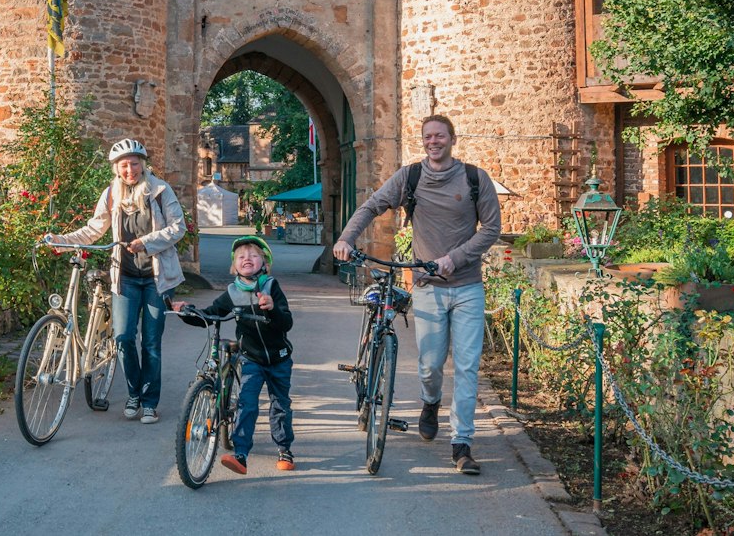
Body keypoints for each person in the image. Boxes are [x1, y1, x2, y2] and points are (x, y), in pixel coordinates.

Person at [333, 114, 501, 475]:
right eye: (428, 136)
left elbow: (491, 229)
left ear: (452, 139)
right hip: (427, 289)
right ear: (423, 141)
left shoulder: (474, 178)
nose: (433, 141)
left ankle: (462, 444)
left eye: (440, 135)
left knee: (468, 366)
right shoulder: (410, 177)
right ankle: (430, 402)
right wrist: (347, 238)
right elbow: (371, 206)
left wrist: (453, 260)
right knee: (429, 365)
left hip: (468, 287)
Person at [42, 138, 185, 424]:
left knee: (152, 344)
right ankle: (133, 394)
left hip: (156, 278)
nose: (130, 170)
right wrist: (62, 240)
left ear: (143, 165)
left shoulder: (159, 190)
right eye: (124, 166)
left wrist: (146, 242)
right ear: (117, 169)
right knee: (122, 339)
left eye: (134, 164)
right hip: (126, 277)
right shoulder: (111, 194)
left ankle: (149, 402)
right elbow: (94, 229)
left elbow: (177, 227)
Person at [172, 235, 296, 475]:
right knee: (246, 404)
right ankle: (241, 454)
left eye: (253, 255)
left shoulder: (271, 287)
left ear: (264, 263)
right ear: (234, 266)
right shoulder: (232, 292)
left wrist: (272, 309)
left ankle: (284, 448)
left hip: (278, 358)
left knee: (280, 405)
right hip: (251, 357)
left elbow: (286, 323)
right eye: (241, 256)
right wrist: (186, 312)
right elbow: (210, 314)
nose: (247, 259)